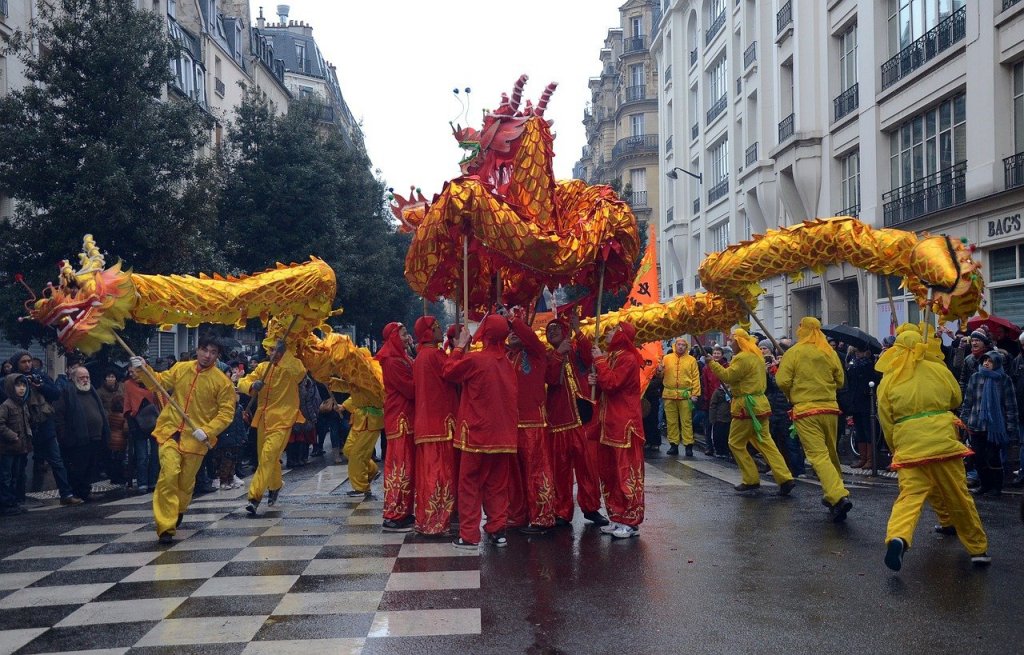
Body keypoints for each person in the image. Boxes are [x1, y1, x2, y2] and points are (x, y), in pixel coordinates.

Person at [876, 330, 991, 571]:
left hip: (909, 445)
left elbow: (886, 419)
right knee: (959, 496)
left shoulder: (889, 378)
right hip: (942, 441)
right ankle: (977, 549)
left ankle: (898, 537)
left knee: (909, 498)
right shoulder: (938, 368)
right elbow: (956, 398)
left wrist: (893, 446)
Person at [130, 335, 235, 543]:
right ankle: (166, 526)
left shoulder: (222, 383)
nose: (207, 355)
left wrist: (207, 431)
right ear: (197, 349)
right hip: (170, 430)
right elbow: (159, 384)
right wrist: (143, 369)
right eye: (205, 349)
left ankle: (177, 509)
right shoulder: (181, 368)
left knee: (185, 484)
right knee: (169, 474)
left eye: (213, 352)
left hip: (196, 439)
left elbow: (226, 414)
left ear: (217, 356)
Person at [443, 316, 518, 549]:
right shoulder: (507, 363)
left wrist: (459, 346)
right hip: (503, 437)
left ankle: (469, 535)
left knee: (469, 484)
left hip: (476, 434)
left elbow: (448, 371)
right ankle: (498, 530)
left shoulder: (476, 360)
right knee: (497, 484)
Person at [776, 318, 852, 522]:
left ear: (803, 330)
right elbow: (841, 380)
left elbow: (782, 380)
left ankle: (837, 496)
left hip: (807, 411)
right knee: (830, 453)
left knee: (818, 456)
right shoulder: (829, 351)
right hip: (830, 409)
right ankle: (835, 490)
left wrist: (791, 391)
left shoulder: (794, 352)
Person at [707, 328, 795, 495]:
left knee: (735, 442)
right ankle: (785, 477)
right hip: (760, 404)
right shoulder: (757, 356)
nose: (731, 343)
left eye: (732, 340)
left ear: (739, 342)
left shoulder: (742, 358)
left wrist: (712, 363)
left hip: (746, 407)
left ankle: (751, 479)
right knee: (765, 442)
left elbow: (728, 376)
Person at [545, 316, 608, 526]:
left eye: (556, 328)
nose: (552, 331)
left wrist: (578, 331)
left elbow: (590, 357)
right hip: (559, 420)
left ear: (565, 332)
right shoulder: (548, 355)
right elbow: (552, 378)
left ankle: (591, 508)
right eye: (549, 329)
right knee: (560, 470)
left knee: (587, 468)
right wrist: (558, 353)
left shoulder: (575, 351)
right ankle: (562, 511)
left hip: (581, 419)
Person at [237, 336, 307, 515]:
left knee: (269, 455)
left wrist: (285, 355)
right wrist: (252, 385)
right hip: (263, 419)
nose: (273, 353)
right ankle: (275, 486)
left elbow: (300, 374)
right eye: (271, 350)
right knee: (267, 458)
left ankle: (254, 497)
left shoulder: (292, 366)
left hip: (283, 419)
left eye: (277, 350)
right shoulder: (262, 368)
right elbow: (242, 382)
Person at [590, 321, 645, 538]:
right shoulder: (612, 357)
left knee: (626, 473)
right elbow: (606, 384)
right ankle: (617, 516)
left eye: (613, 330)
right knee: (610, 473)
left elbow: (612, 383)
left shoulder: (628, 358)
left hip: (624, 424)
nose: (607, 332)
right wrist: (596, 378)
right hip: (609, 424)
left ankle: (631, 522)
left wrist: (600, 362)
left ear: (622, 335)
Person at [503, 312, 556, 534]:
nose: (514, 334)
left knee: (536, 470)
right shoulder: (507, 356)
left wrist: (514, 320)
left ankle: (542, 518)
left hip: (533, 422)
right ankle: (517, 515)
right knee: (513, 474)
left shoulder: (536, 352)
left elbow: (531, 338)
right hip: (510, 424)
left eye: (518, 331)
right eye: (511, 331)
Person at [9, 351, 80, 505]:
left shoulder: (39, 376)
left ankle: (66, 494)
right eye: (23, 362)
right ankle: (18, 499)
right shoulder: (12, 379)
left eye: (29, 361)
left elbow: (55, 394)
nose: (28, 364)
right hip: (23, 427)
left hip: (44, 425)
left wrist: (40, 386)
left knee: (56, 461)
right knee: (20, 465)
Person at [411, 315, 459, 535]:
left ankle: (427, 519)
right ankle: (436, 522)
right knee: (439, 474)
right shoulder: (434, 355)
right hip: (439, 424)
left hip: (427, 424)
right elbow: (455, 372)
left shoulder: (421, 355)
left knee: (428, 473)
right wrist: (460, 349)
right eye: (437, 327)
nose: (440, 331)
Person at [960, 350, 1018, 497]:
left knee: (993, 457)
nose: (986, 363)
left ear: (997, 363)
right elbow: (968, 401)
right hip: (976, 424)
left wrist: (1011, 427)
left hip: (995, 427)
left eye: (990, 361)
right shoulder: (975, 377)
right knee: (978, 457)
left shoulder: (1004, 380)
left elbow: (1010, 405)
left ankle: (996, 487)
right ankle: (984, 485)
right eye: (985, 360)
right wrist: (964, 421)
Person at [378, 322, 416, 532]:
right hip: (399, 418)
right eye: (403, 334)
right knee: (399, 467)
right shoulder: (392, 361)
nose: (406, 337)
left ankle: (404, 511)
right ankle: (394, 514)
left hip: (406, 418)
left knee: (407, 467)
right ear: (393, 336)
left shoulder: (402, 357)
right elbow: (410, 389)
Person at [54, 367, 109, 503]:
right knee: (78, 467)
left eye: (87, 377)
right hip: (77, 438)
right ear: (74, 379)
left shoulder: (92, 391)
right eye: (81, 377)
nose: (85, 380)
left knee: (90, 466)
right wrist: (64, 435)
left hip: (95, 436)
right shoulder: (67, 392)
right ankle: (76, 493)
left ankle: (85, 491)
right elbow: (59, 415)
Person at [659, 337, 701, 458]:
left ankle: (688, 445)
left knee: (686, 421)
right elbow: (660, 375)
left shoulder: (692, 360)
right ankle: (674, 444)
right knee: (671, 422)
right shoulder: (666, 358)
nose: (681, 347)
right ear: (675, 345)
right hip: (669, 394)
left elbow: (695, 378)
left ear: (686, 347)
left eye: (683, 345)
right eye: (679, 344)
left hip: (685, 395)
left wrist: (695, 394)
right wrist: (659, 370)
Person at [123, 364, 160, 494]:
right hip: (138, 423)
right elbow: (127, 404)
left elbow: (159, 399)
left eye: (133, 371)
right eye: (129, 372)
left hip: (155, 421)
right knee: (142, 455)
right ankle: (142, 483)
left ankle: (153, 481)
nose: (131, 374)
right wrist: (131, 423)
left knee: (156, 454)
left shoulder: (151, 381)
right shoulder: (128, 384)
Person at [0, 374, 34, 515]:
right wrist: (13, 436)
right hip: (7, 448)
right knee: (6, 477)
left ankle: (13, 502)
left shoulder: (23, 404)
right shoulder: (6, 405)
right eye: (18, 385)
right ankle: (6, 504)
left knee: (15, 476)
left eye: (24, 385)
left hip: (21, 447)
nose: (21, 388)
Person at [700, 346, 727, 456]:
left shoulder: (726, 366)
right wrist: (705, 398)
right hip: (710, 399)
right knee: (708, 424)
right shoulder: (706, 368)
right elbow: (705, 384)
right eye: (714, 353)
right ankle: (709, 446)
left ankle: (721, 447)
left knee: (720, 424)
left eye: (718, 353)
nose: (716, 355)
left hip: (722, 399)